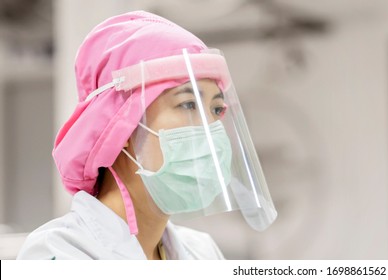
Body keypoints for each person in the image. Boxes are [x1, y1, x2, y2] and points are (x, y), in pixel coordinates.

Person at [17, 11, 277, 260]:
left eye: (217, 109)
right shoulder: (59, 255)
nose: (211, 129)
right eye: (188, 104)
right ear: (122, 126)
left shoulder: (202, 252)